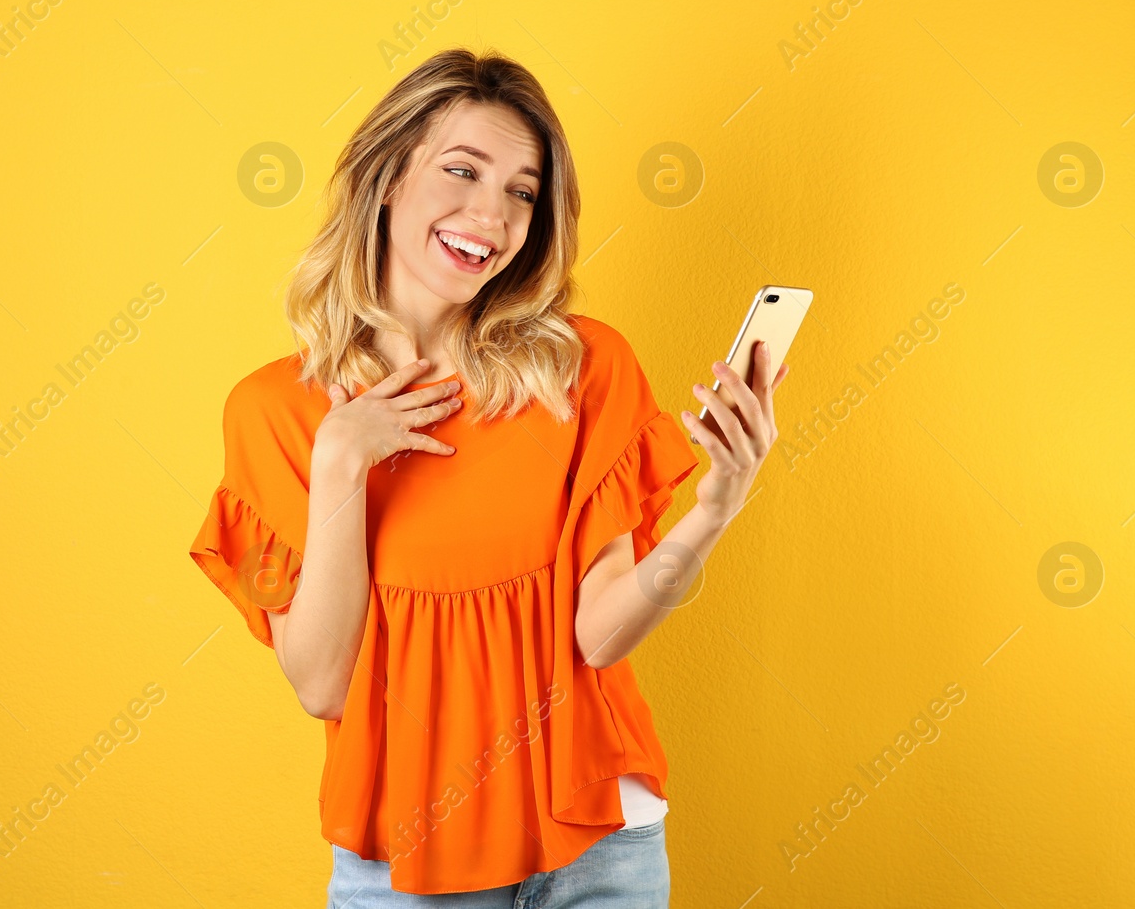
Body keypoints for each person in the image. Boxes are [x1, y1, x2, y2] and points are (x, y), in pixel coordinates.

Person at [188, 47, 788, 906]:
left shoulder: (583, 369)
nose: (491, 213)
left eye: (521, 190)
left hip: (603, 848)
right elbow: (320, 681)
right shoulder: (270, 412)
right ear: (385, 178)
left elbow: (599, 637)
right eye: (461, 170)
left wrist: (715, 508)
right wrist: (341, 461)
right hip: (411, 861)